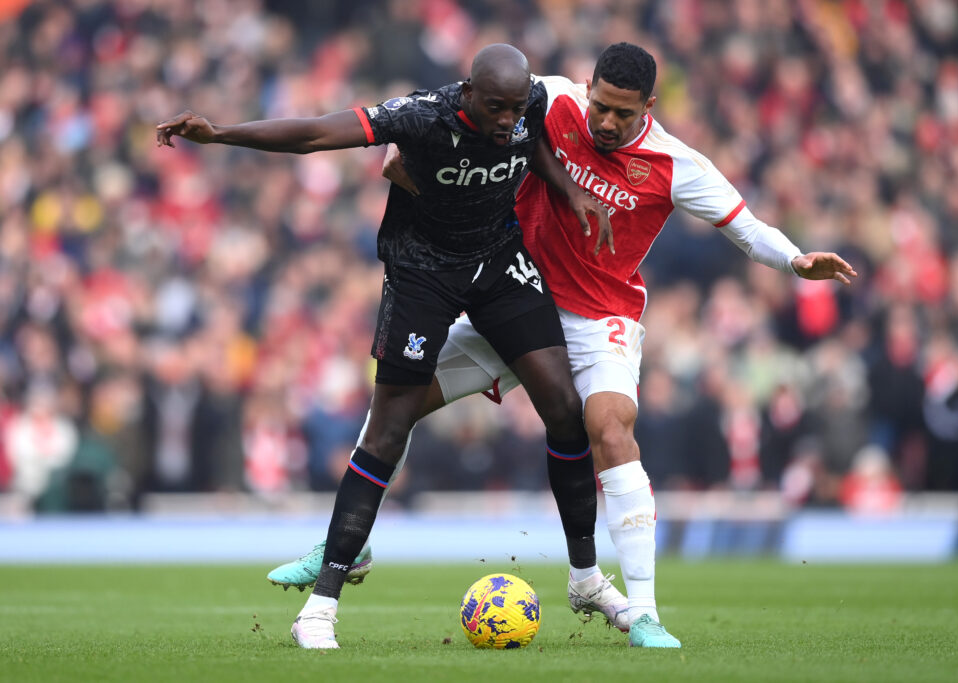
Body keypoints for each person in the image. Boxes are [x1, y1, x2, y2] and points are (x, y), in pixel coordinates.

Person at [267, 42, 858, 649]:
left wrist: (794, 259)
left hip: (597, 317)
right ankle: (347, 543)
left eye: (622, 115)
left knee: (607, 428)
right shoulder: (549, 98)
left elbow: (745, 228)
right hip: (514, 298)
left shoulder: (676, 164)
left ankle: (643, 610)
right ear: (587, 86)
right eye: (600, 105)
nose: (605, 122)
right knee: (392, 412)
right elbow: (465, 99)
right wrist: (409, 144)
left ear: (648, 108)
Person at [157, 44, 621, 650]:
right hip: (421, 272)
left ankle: (585, 576)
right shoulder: (420, 116)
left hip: (496, 261)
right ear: (468, 94)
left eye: (514, 107)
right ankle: (320, 607)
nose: (508, 118)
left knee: (564, 406)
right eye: (495, 107)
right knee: (388, 428)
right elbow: (315, 135)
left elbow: (530, 142)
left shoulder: (528, 102)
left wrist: (569, 192)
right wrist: (221, 134)